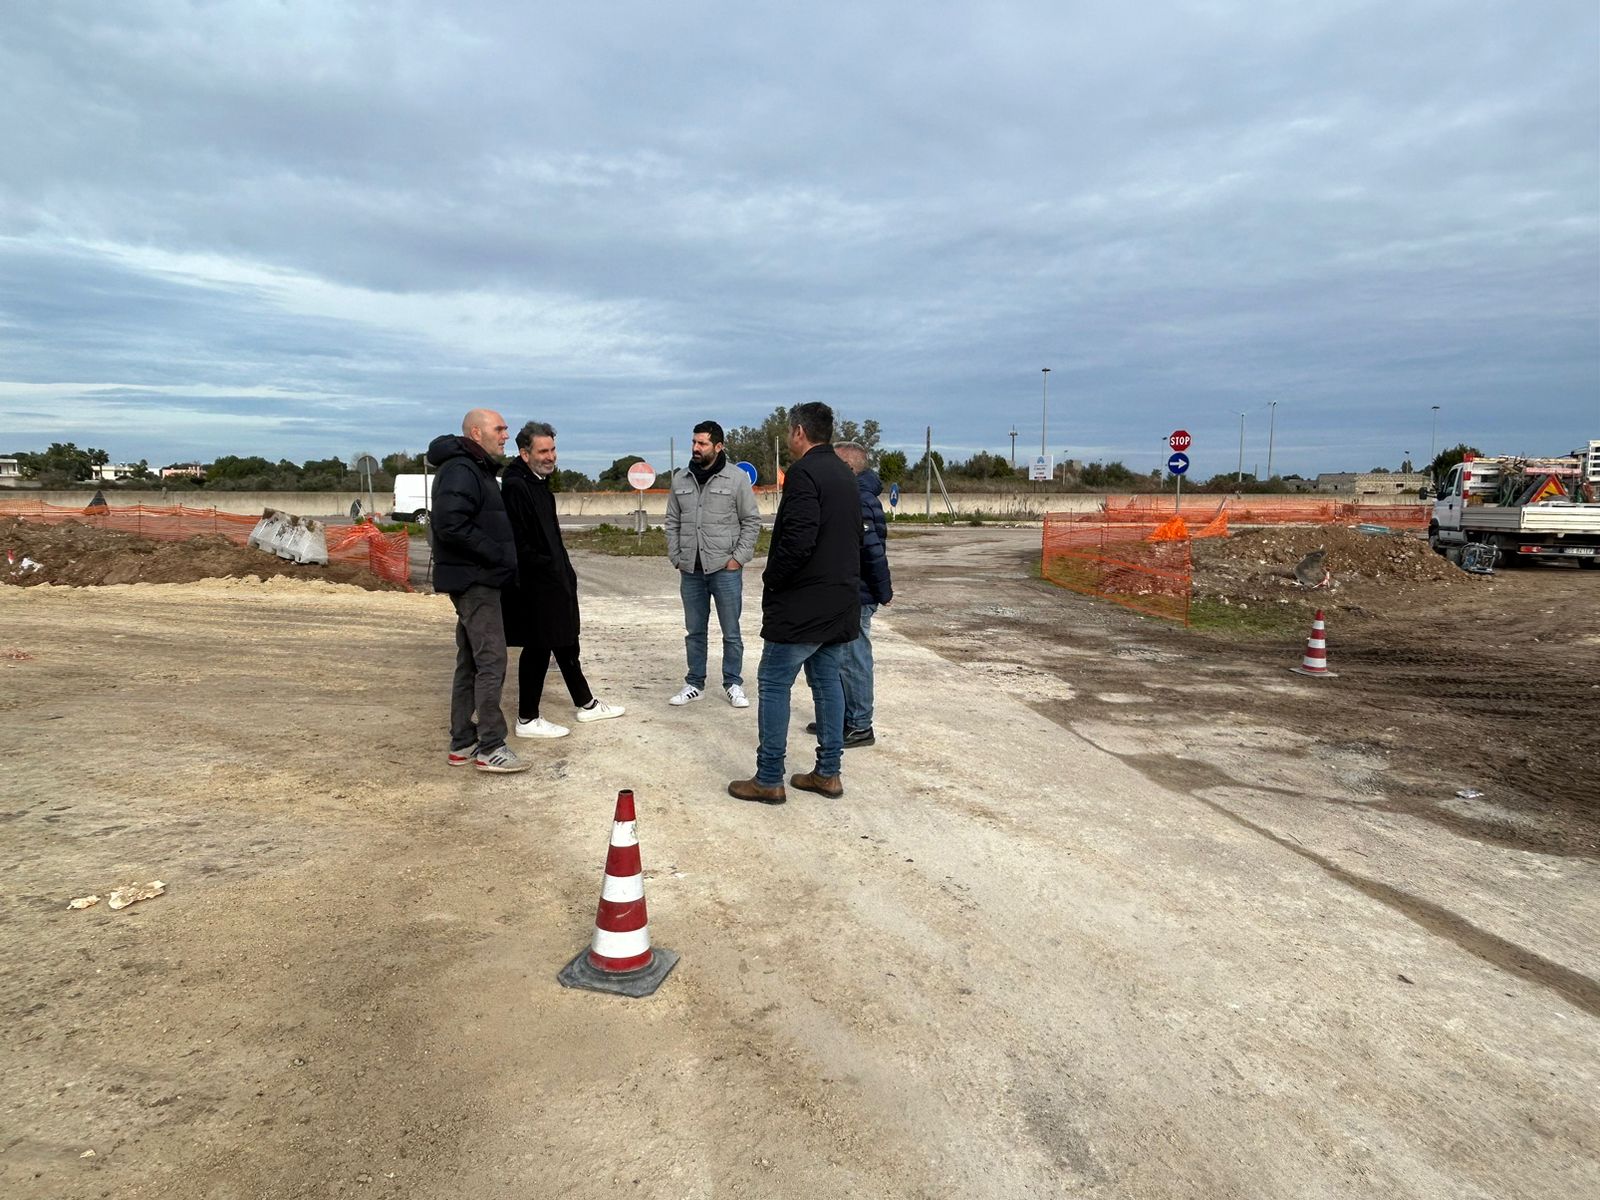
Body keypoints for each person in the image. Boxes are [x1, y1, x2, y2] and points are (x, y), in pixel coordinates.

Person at [728, 402, 860, 805]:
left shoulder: (804, 473)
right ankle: (828, 773)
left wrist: (773, 579)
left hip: (803, 605)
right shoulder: (844, 471)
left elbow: (798, 539)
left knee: (772, 683)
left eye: (789, 432)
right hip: (839, 601)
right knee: (827, 685)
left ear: (799, 431)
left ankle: (769, 777)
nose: (789, 438)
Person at [501, 421, 624, 738]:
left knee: (566, 642)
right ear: (524, 453)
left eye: (553, 449)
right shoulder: (516, 486)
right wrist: (548, 570)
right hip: (536, 586)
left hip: (554, 581)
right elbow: (520, 544)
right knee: (540, 647)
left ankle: (586, 704)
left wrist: (563, 572)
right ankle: (527, 718)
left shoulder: (538, 483)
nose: (551, 456)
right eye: (543, 451)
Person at [428, 409, 529, 773]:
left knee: (470, 660)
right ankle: (490, 745)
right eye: (499, 429)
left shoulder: (474, 468)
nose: (506, 435)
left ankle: (463, 741)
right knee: (491, 661)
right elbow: (450, 523)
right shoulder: (462, 469)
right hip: (475, 581)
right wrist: (496, 553)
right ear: (476, 433)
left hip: (475, 578)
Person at [665, 420, 762, 709]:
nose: (696, 448)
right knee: (694, 631)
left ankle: (733, 683)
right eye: (694, 442)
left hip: (724, 569)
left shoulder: (736, 479)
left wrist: (738, 558)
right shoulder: (680, 479)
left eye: (702, 443)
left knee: (731, 632)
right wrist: (676, 556)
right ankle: (694, 683)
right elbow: (672, 521)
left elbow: (751, 521)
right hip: (691, 571)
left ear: (718, 447)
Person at [807, 442, 892, 747]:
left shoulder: (859, 498)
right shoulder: (850, 495)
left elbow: (872, 552)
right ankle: (840, 717)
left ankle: (859, 725)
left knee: (853, 659)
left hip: (859, 593)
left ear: (848, 468)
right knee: (838, 657)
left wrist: (882, 591)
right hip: (846, 590)